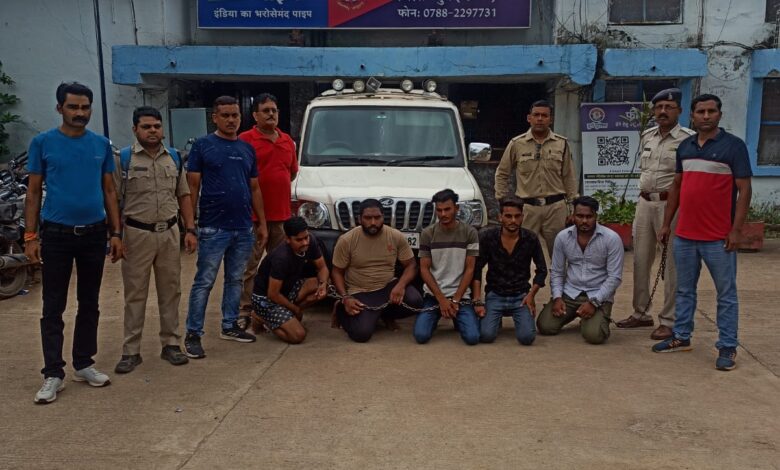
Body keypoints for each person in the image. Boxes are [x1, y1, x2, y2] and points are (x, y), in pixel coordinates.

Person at [25, 82, 123, 404]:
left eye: (85, 107)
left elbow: (109, 190)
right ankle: (53, 373)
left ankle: (84, 363)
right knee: (53, 306)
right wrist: (30, 236)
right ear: (59, 108)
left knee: (90, 302)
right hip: (56, 235)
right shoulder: (42, 143)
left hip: (93, 234)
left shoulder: (100, 145)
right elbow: (33, 192)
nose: (80, 113)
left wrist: (116, 233)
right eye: (73, 107)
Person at [652, 93, 752, 371]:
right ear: (692, 116)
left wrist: (736, 230)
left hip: (718, 238)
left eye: (711, 111)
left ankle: (727, 346)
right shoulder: (685, 147)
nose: (706, 116)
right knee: (684, 290)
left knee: (726, 294)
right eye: (700, 112)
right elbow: (677, 186)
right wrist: (666, 224)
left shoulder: (734, 146)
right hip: (685, 235)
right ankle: (681, 336)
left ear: (719, 114)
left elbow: (744, 190)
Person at [112, 106, 198, 374]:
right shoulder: (123, 159)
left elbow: (183, 194)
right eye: (146, 126)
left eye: (157, 126)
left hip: (169, 233)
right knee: (135, 294)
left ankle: (171, 344)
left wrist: (190, 229)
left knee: (171, 291)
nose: (152, 131)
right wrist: (115, 235)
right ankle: (131, 351)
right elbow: (113, 199)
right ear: (135, 129)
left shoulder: (173, 158)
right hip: (136, 234)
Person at [184, 96, 269, 359]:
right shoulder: (203, 146)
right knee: (204, 281)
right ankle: (193, 333)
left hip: (243, 228)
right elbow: (192, 187)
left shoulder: (246, 149)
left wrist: (262, 223)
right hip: (213, 228)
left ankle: (229, 325)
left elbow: (255, 188)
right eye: (225, 115)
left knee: (235, 279)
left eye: (235, 115)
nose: (231, 120)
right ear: (215, 118)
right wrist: (189, 226)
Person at [616, 88, 695, 340]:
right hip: (644, 203)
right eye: (659, 107)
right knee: (640, 260)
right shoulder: (647, 136)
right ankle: (641, 313)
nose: (663, 111)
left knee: (671, 265)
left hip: (671, 205)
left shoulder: (688, 139)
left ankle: (669, 320)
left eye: (668, 107)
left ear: (679, 110)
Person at [238, 93, 299, 327]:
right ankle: (246, 309)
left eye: (274, 110)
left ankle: (273, 306)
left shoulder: (287, 141)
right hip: (252, 218)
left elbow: (291, 173)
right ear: (255, 115)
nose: (271, 114)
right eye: (266, 110)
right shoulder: (245, 140)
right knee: (249, 267)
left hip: (281, 218)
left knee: (279, 266)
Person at [494, 99, 579, 256]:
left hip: (555, 208)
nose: (540, 119)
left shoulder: (561, 144)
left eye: (544, 116)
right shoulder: (517, 143)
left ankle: (557, 274)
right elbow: (502, 173)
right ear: (529, 118)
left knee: (560, 254)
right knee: (521, 253)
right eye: (536, 115)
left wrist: (573, 206)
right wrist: (503, 201)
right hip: (527, 209)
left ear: (550, 119)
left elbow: (569, 176)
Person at [331, 199, 423, 343]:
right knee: (362, 334)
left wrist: (400, 286)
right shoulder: (346, 240)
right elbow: (337, 272)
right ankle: (341, 309)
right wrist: (345, 297)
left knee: (415, 301)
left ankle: (384, 315)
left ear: (383, 217)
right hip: (360, 292)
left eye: (377, 217)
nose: (373, 222)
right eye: (368, 218)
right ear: (359, 219)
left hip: (388, 288)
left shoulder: (395, 236)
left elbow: (411, 265)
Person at [537, 196, 624, 345]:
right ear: (572, 216)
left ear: (596, 216)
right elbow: (557, 271)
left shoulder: (611, 239)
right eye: (580, 216)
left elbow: (614, 277)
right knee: (545, 326)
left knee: (594, 336)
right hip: (570, 293)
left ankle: (595, 319)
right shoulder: (563, 237)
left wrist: (594, 303)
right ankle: (578, 314)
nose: (584, 221)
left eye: (589, 216)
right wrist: (557, 297)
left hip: (598, 295)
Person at [475, 196, 547, 345]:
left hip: (521, 296)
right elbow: (477, 269)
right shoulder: (488, 237)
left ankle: (518, 317)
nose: (513, 220)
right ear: (500, 217)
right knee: (486, 336)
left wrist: (531, 295)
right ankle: (495, 317)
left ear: (522, 217)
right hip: (495, 294)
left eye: (517, 216)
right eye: (508, 216)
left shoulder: (530, 238)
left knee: (527, 338)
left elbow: (542, 270)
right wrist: (477, 301)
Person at [413, 189, 481, 345]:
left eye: (447, 209)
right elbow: (424, 269)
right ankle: (440, 316)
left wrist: (455, 300)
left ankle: (458, 316)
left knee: (473, 338)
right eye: (439, 210)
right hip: (434, 296)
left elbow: (470, 269)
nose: (443, 214)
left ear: (456, 208)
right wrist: (441, 299)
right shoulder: (428, 233)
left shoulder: (470, 233)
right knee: (421, 336)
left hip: (461, 296)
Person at [251, 217, 329, 344]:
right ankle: (260, 317)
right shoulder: (281, 258)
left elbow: (322, 268)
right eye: (299, 240)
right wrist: (295, 310)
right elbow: (273, 294)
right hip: (266, 299)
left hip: (287, 289)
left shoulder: (311, 241)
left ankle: (287, 317)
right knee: (298, 336)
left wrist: (323, 285)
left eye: (306, 237)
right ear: (287, 239)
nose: (305, 242)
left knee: (322, 284)